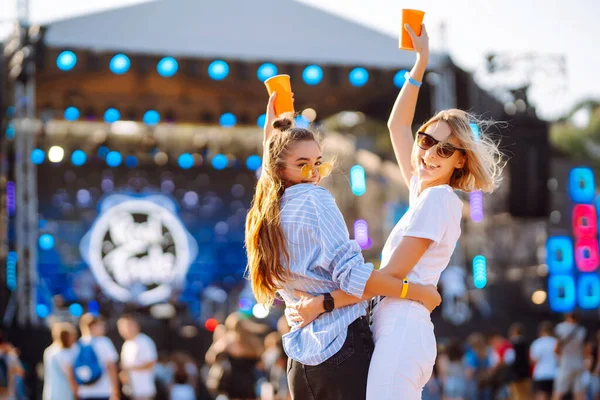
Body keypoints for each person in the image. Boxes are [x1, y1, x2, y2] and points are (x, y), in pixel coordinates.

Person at [290, 22, 504, 400]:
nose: (429, 153)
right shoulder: (425, 194)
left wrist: (322, 304)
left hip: (403, 329)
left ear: (460, 162)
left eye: (445, 150)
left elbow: (389, 275)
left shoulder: (439, 200)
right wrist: (420, 62)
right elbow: (397, 124)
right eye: (426, 141)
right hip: (395, 326)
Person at [244, 87, 443, 399]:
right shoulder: (314, 199)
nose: (313, 173)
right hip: (340, 350)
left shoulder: (264, 213)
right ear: (280, 167)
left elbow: (272, 164)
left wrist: (275, 131)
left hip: (300, 363)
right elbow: (355, 279)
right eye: (303, 164)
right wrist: (415, 292)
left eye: (318, 163)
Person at [69, 313, 120, 400]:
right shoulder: (104, 342)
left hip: (84, 392)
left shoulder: (76, 345)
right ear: (93, 326)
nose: (104, 328)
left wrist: (75, 390)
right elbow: (111, 367)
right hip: (103, 392)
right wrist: (116, 390)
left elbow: (71, 370)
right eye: (101, 325)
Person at [117, 314, 158, 400]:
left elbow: (151, 363)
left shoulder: (145, 341)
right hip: (131, 390)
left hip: (144, 391)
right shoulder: (126, 345)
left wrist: (130, 368)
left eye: (128, 326)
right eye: (122, 327)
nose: (125, 329)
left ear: (136, 326)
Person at [553, 312, 587, 400]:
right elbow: (585, 349)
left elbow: (556, 348)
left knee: (559, 391)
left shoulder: (561, 327)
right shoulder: (581, 329)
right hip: (579, 363)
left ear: (566, 316)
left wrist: (559, 357)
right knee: (579, 392)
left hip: (566, 363)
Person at [43, 322, 77, 400]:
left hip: (51, 393)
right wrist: (76, 391)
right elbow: (69, 374)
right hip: (64, 394)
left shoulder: (49, 351)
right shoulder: (63, 353)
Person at [530, 321, 558, 400]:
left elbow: (533, 360)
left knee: (541, 396)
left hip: (540, 374)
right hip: (554, 373)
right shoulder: (555, 342)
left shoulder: (537, 343)